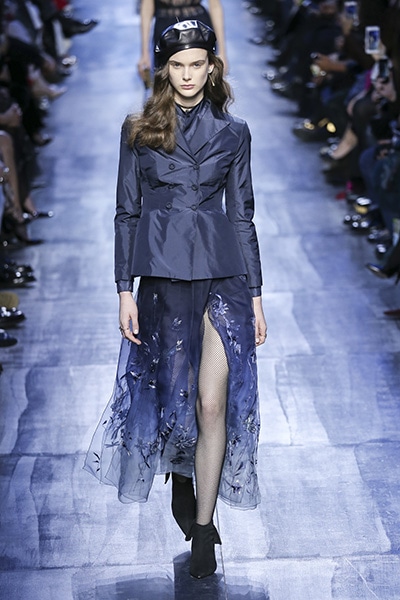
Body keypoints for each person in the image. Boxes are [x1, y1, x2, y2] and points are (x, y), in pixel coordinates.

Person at [84, 20, 267, 580]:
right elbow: (126, 212)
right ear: (165, 70)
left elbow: (242, 215)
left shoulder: (234, 133)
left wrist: (256, 295)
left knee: (211, 404)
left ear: (212, 67)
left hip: (222, 277)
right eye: (178, 65)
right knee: (175, 399)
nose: (188, 75)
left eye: (197, 64)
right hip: (163, 280)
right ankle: (183, 477)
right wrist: (123, 290)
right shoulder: (138, 131)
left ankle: (204, 529)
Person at [138, 0, 228, 77]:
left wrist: (222, 53)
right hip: (165, 28)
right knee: (165, 80)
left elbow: (215, 6)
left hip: (198, 27)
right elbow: (147, 6)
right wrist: (144, 53)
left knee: (201, 79)